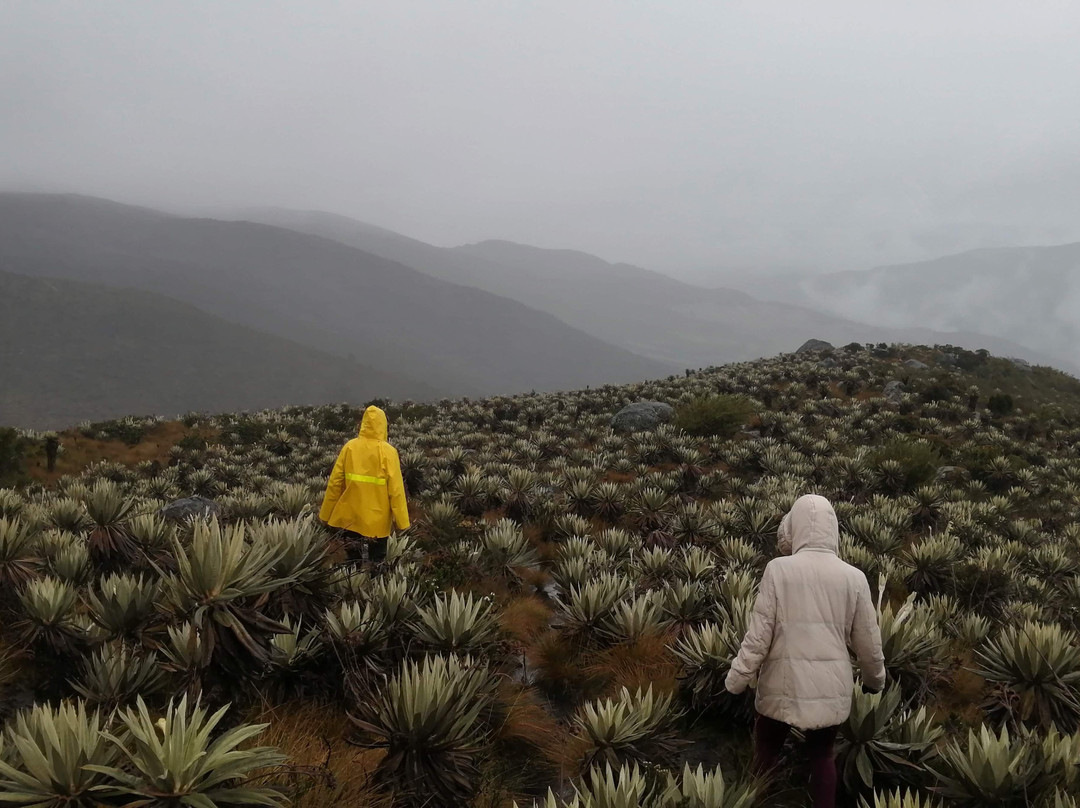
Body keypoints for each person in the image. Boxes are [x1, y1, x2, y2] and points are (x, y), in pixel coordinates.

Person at [725, 494, 885, 808]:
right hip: (831, 687)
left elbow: (758, 637)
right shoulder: (854, 578)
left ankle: (759, 801)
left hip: (782, 683)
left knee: (767, 751)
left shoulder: (778, 570)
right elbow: (869, 641)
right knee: (822, 755)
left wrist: (737, 680)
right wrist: (874, 680)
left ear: (794, 527)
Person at [319, 405, 410, 564]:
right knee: (377, 562)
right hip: (377, 520)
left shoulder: (349, 447)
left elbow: (335, 483)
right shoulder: (388, 452)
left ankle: (349, 587)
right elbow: (396, 490)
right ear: (383, 425)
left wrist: (325, 514)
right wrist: (402, 521)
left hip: (351, 517)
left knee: (352, 561)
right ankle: (374, 587)